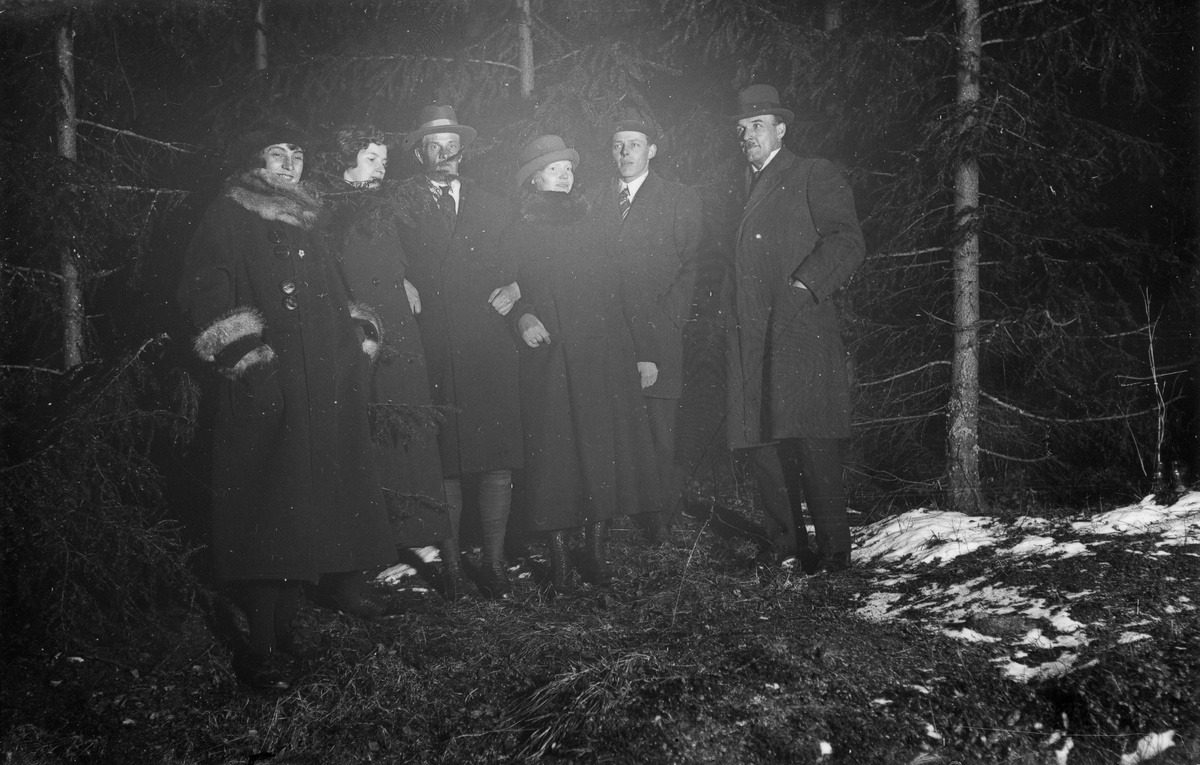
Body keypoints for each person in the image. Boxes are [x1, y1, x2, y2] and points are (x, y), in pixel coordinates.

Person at [177, 120, 396, 691]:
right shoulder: (229, 214)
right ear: (254, 161)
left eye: (296, 155)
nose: (289, 165)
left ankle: (287, 626)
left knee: (307, 505)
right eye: (276, 154)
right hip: (266, 387)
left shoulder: (307, 216)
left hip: (322, 387)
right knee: (267, 511)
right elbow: (204, 291)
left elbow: (336, 291)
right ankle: (259, 648)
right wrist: (250, 359)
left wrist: (356, 341)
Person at [500, 135, 661, 593]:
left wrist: (643, 350)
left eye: (568, 168)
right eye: (554, 169)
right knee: (554, 461)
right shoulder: (516, 229)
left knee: (600, 453)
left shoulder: (596, 221)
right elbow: (504, 287)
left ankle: (595, 553)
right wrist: (521, 315)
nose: (564, 176)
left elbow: (625, 286)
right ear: (534, 178)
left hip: (602, 357)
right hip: (550, 358)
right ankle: (559, 563)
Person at [327, 125, 475, 600]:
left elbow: (393, 258)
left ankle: (444, 559)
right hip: (364, 338)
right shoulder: (327, 209)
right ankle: (370, 563)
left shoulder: (382, 204)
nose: (381, 168)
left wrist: (404, 280)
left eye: (385, 161)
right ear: (346, 160)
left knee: (418, 443)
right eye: (372, 159)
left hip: (402, 333)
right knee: (373, 445)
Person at [725, 84, 866, 574]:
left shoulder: (811, 172)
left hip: (799, 329)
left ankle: (833, 551)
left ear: (781, 129)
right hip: (749, 333)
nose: (748, 135)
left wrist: (806, 283)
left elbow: (848, 241)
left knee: (812, 438)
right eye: (741, 128)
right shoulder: (737, 187)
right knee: (762, 439)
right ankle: (784, 544)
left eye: (757, 125)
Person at [390, 105, 522, 598]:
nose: (444, 154)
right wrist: (398, 281)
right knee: (444, 456)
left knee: (495, 456)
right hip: (434, 342)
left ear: (463, 150)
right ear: (419, 153)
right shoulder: (398, 204)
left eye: (452, 145)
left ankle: (494, 563)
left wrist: (519, 288)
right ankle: (452, 569)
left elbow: (526, 261)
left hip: (488, 343)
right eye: (434, 145)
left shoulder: (496, 204)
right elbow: (377, 255)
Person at [587, 108, 703, 543]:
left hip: (658, 331)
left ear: (652, 150)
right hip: (606, 334)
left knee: (658, 430)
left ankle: (658, 519)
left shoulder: (679, 198)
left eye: (634, 144)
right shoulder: (593, 199)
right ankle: (615, 512)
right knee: (613, 425)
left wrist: (663, 328)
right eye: (618, 145)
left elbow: (690, 268)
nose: (625, 153)